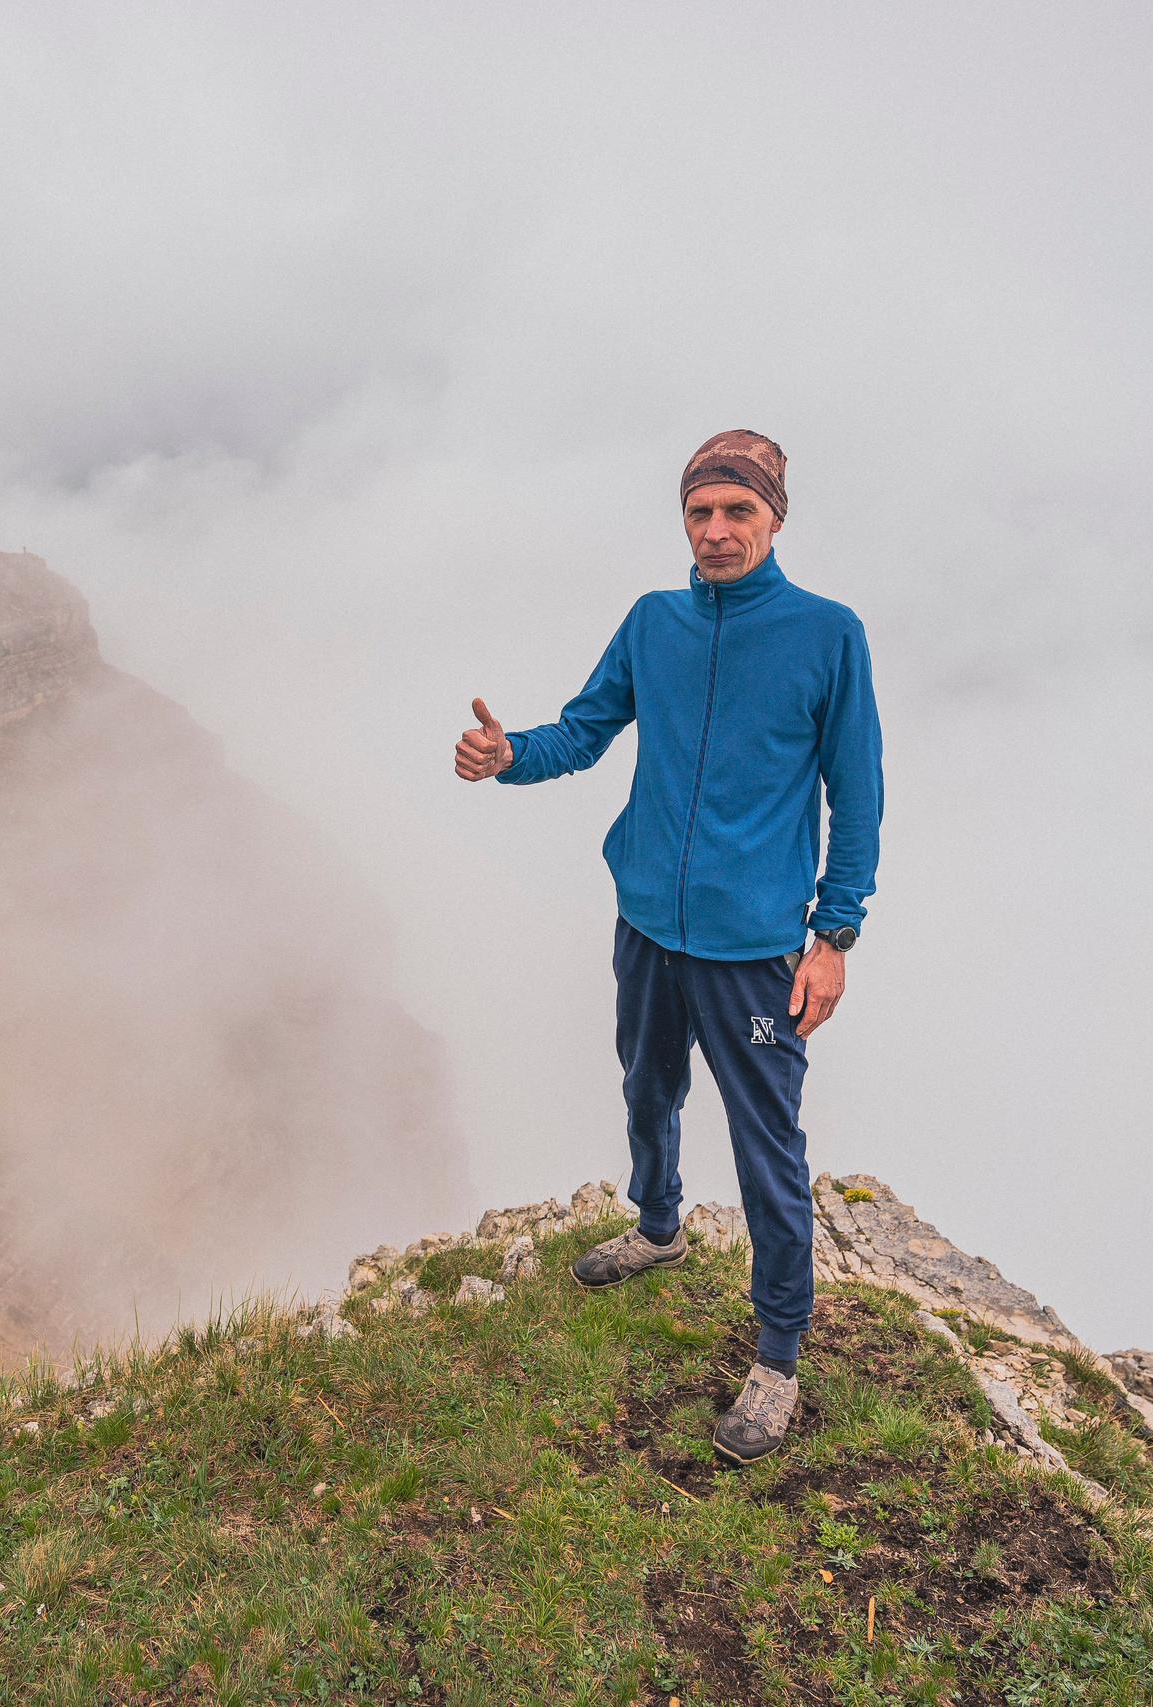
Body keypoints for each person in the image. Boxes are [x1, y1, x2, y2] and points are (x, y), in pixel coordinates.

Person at [453, 428, 883, 1465]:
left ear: (775, 519)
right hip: (646, 922)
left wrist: (833, 936)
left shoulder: (827, 635)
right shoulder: (653, 623)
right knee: (645, 1089)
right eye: (699, 512)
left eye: (737, 511)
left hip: (753, 952)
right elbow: (584, 730)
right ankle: (657, 1226)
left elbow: (855, 792)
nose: (716, 531)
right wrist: (510, 755)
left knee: (765, 1146)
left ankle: (776, 1356)